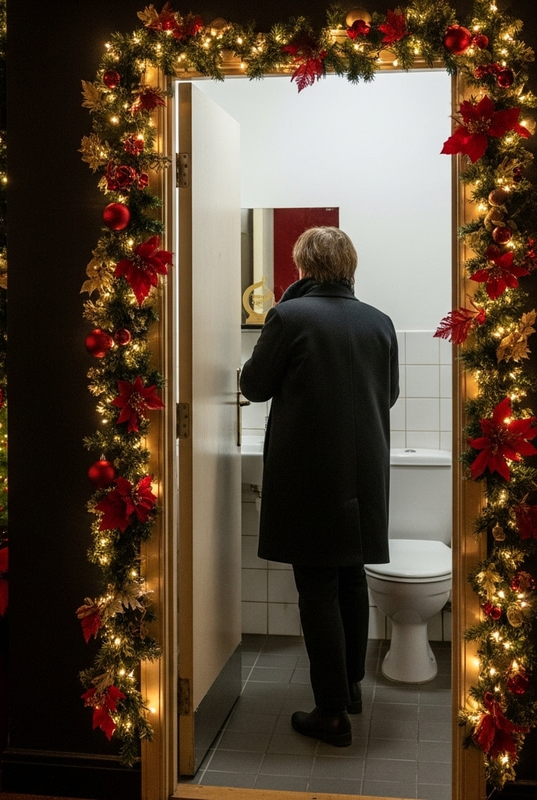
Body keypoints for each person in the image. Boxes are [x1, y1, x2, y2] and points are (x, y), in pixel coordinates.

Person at [240, 227, 399, 748]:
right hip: (365, 472)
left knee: (317, 586)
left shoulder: (290, 315)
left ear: (303, 267)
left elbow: (254, 386)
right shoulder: (381, 322)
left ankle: (331, 712)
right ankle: (349, 687)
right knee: (351, 576)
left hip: (310, 473)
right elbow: (389, 394)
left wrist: (281, 308)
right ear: (350, 266)